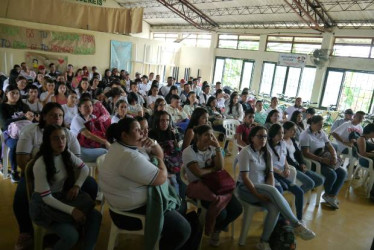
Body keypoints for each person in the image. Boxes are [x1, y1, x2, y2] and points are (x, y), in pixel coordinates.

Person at [14, 103, 98, 250]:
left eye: (60, 115)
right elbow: (22, 161)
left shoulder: (66, 138)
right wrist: (44, 174)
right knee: (22, 194)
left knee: (90, 185)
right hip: (36, 178)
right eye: (53, 115)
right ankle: (26, 232)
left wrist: (76, 185)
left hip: (63, 178)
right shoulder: (31, 132)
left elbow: (79, 165)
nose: (57, 118)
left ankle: (80, 223)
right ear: (44, 116)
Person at [100, 117, 191, 250]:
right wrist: (159, 161)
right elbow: (161, 178)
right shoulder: (128, 156)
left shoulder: (126, 145)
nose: (142, 133)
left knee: (181, 206)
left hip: (130, 204)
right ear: (124, 135)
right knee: (183, 230)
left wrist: (154, 144)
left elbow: (159, 154)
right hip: (129, 215)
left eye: (142, 129)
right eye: (137, 130)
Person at [237, 126, 315, 250]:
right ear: (252, 138)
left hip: (262, 188)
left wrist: (269, 191)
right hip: (246, 189)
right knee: (273, 190)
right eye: (260, 136)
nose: (263, 139)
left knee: (274, 208)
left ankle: (263, 241)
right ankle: (297, 225)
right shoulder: (245, 152)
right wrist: (259, 195)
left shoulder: (265, 153)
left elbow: (270, 174)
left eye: (265, 136)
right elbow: (245, 178)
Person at [30, 124, 102, 250]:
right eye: (55, 138)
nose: (61, 142)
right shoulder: (40, 163)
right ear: (47, 141)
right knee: (71, 236)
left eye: (63, 138)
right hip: (44, 205)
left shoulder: (65, 153)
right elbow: (46, 197)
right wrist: (72, 210)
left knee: (96, 216)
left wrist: (77, 186)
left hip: (60, 197)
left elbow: (84, 168)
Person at [182, 124, 242, 247]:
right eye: (206, 135)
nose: (210, 138)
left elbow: (220, 167)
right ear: (198, 136)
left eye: (211, 135)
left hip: (216, 185)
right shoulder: (188, 152)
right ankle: (216, 227)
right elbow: (198, 173)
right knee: (222, 213)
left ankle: (217, 228)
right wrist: (212, 169)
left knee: (237, 209)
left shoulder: (212, 148)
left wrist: (218, 148)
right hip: (199, 187)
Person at [299, 115, 347, 209]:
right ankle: (328, 194)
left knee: (342, 173)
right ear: (312, 124)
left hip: (324, 157)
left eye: (322, 124)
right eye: (319, 124)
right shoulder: (305, 135)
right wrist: (321, 160)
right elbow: (306, 153)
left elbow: (329, 146)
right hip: (313, 161)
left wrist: (334, 156)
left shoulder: (321, 133)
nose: (321, 126)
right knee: (331, 174)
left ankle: (331, 195)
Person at [267, 123, 307, 221]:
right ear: (272, 134)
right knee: (280, 191)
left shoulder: (283, 143)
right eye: (278, 134)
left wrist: (287, 167)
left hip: (281, 173)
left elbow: (284, 157)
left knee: (299, 192)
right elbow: (267, 165)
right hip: (271, 173)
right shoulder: (266, 146)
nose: (281, 136)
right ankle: (281, 220)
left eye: (282, 133)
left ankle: (299, 218)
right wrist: (279, 172)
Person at [149, 111, 185, 196]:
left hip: (175, 163)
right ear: (157, 121)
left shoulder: (171, 133)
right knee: (174, 184)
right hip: (163, 165)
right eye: (162, 120)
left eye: (167, 120)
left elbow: (176, 149)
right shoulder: (152, 134)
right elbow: (154, 154)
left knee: (183, 182)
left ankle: (182, 202)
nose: (165, 123)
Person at [283, 121, 325, 195]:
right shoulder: (281, 142)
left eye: (295, 130)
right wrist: (299, 167)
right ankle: (297, 196)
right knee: (310, 183)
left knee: (320, 180)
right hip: (291, 168)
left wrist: (302, 163)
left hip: (298, 165)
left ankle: (297, 193)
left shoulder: (291, 139)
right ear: (285, 130)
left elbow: (298, 153)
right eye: (292, 130)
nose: (295, 132)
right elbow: (286, 159)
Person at [70, 98, 110, 163]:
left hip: (90, 145)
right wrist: (105, 142)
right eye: (85, 106)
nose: (89, 108)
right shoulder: (77, 119)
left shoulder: (93, 117)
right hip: (79, 148)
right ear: (80, 109)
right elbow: (88, 135)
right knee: (105, 152)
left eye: (90, 105)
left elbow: (98, 132)